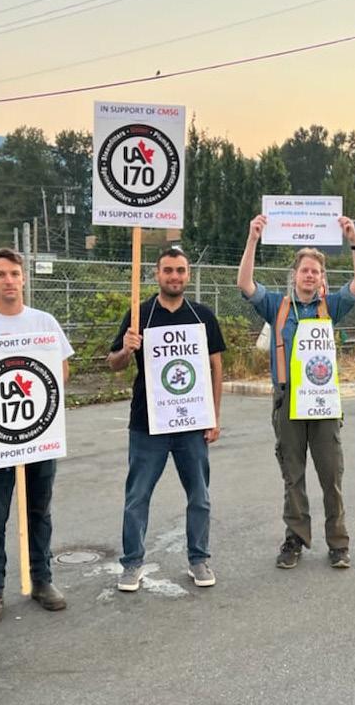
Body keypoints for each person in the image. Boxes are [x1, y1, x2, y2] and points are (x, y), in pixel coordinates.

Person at [237, 215, 355, 569]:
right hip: (288, 401)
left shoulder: (331, 307)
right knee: (292, 475)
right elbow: (245, 283)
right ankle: (294, 539)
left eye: (316, 271)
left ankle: (338, 543)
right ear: (294, 274)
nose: (310, 275)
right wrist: (253, 239)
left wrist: (354, 240)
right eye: (305, 270)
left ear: (322, 278)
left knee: (331, 475)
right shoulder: (277, 307)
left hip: (323, 404)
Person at [0, 248, 73, 624]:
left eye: (14, 274)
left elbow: (62, 372)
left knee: (39, 510)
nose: (9, 280)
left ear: (23, 279)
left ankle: (42, 580)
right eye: (1, 274)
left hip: (38, 433)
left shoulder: (44, 323)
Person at [108, 248, 225, 591]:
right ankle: (132, 563)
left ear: (188, 275)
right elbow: (113, 363)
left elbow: (216, 367)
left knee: (199, 496)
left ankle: (198, 559)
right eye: (168, 270)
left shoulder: (202, 316)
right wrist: (126, 348)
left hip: (192, 423)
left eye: (181, 270)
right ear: (156, 274)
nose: (175, 276)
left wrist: (214, 417)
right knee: (137, 497)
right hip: (148, 424)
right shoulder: (139, 315)